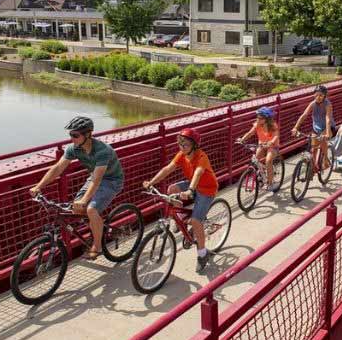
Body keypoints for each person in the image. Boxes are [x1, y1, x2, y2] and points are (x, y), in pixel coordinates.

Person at [29, 116, 124, 260]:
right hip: (94, 178)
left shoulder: (102, 151)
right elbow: (58, 168)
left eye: (75, 135)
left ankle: (97, 246)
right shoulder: (74, 148)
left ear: (88, 134)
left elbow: (98, 179)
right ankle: (99, 225)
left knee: (91, 209)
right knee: (76, 208)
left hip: (111, 181)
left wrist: (85, 200)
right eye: (70, 135)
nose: (72, 138)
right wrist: (38, 186)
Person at [142, 128, 218, 273]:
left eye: (186, 145)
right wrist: (151, 182)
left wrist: (190, 190)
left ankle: (203, 254)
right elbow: (167, 169)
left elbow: (198, 173)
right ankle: (181, 218)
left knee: (196, 222)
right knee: (171, 189)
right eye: (180, 144)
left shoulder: (201, 156)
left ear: (194, 145)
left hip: (206, 189)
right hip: (192, 185)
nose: (182, 147)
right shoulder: (181, 155)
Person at [291, 85, 334, 175]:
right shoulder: (312, 104)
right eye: (316, 95)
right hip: (316, 128)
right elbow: (304, 115)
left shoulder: (327, 104)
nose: (318, 97)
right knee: (313, 149)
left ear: (325, 96)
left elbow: (327, 118)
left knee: (322, 141)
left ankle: (325, 160)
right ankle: (313, 167)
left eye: (321, 95)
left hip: (327, 127)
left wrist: (327, 132)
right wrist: (295, 127)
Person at [239, 106, 280, 190]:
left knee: (268, 161)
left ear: (266, 119)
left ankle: (271, 183)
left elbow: (276, 136)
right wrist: (242, 139)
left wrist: (271, 142)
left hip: (272, 146)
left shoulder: (272, 125)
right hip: (261, 145)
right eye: (257, 117)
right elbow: (250, 133)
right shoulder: (257, 124)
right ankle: (261, 174)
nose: (258, 119)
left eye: (260, 118)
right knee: (256, 160)